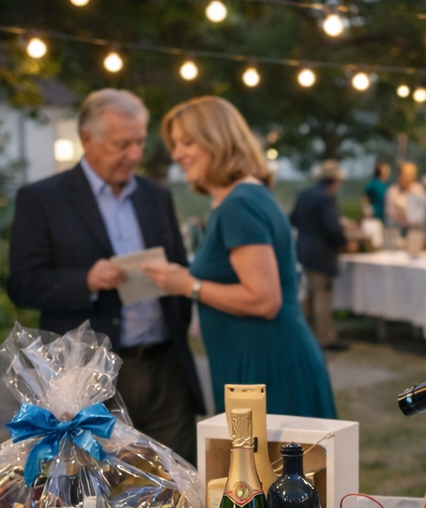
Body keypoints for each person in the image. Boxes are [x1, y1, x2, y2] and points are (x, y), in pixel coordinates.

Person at [6, 88, 203, 462]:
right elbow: (22, 285)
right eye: (122, 144)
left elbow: (179, 266)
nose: (134, 155)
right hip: (89, 377)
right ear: (87, 139)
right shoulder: (43, 199)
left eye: (139, 142)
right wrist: (86, 281)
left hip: (165, 369)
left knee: (178, 477)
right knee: (101, 484)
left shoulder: (156, 195)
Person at [140, 96, 336, 420]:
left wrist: (187, 285)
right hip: (253, 358)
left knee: (267, 455)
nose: (177, 155)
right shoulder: (242, 198)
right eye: (175, 144)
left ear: (217, 140)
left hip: (265, 363)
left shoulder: (238, 205)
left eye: (187, 142)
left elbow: (263, 299)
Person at [289, 159, 349, 351]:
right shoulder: (326, 197)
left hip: (303, 251)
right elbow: (332, 228)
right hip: (321, 254)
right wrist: (343, 242)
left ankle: (305, 335)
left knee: (306, 296)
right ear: (334, 181)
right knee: (322, 296)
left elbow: (293, 219)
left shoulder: (304, 194)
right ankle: (325, 337)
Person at [385, 161, 426, 236]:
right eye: (406, 175)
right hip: (396, 230)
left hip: (415, 231)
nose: (408, 178)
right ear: (400, 175)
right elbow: (389, 211)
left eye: (411, 175)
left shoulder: (418, 189)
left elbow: (422, 212)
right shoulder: (392, 190)